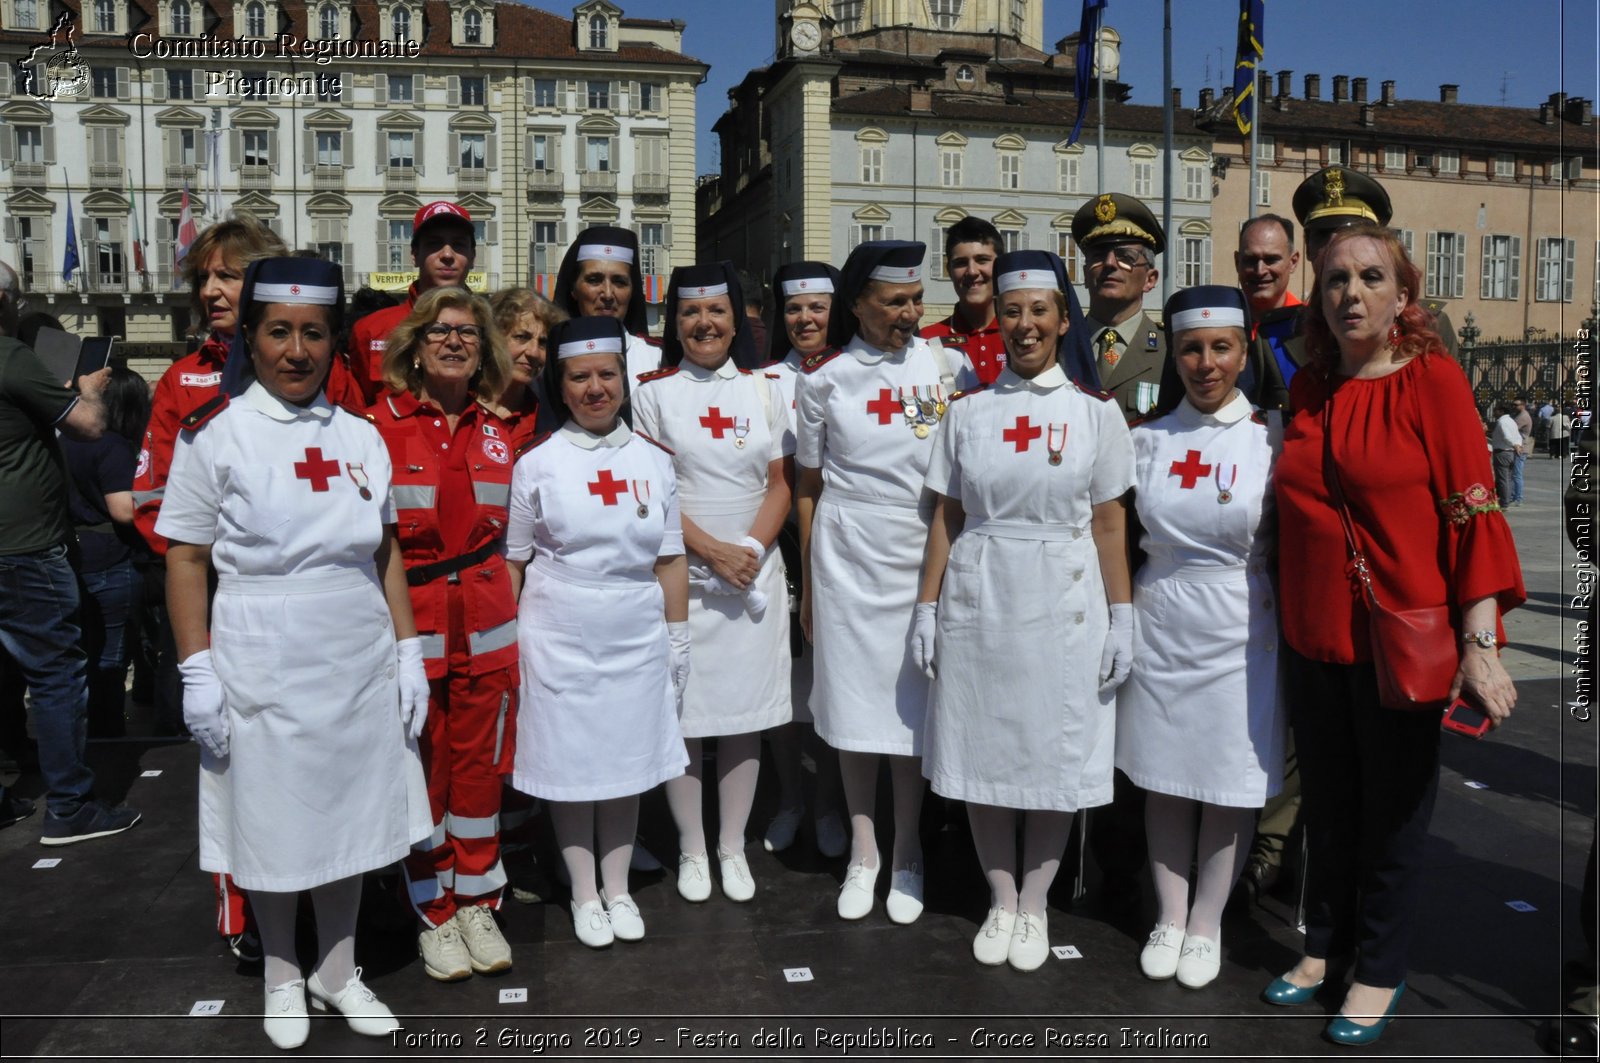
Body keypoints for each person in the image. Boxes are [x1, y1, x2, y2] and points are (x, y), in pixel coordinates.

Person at [158, 257, 432, 1051]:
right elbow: (184, 557)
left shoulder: (359, 435)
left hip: (354, 649)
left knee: (349, 815)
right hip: (261, 648)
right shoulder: (218, 434)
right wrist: (197, 669)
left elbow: (383, 549)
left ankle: (338, 968)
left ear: (334, 340)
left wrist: (408, 649)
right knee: (273, 820)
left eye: (314, 333)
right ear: (251, 336)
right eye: (279, 332)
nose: (297, 350)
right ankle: (283, 970)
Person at [1268, 224, 1524, 1045]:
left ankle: (1377, 966)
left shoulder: (1434, 381)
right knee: (1330, 812)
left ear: (1403, 296)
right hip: (1313, 637)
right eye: (1336, 278)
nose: (1351, 293)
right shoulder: (1308, 388)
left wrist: (1480, 642)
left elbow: (1474, 507)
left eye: (1371, 277)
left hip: (1401, 643)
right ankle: (1322, 947)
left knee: (1391, 816)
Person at [915, 249, 1133, 971]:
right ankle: (1000, 896)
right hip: (983, 590)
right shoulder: (969, 411)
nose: (1025, 324)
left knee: (1051, 753)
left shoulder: (1095, 415)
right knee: (985, 749)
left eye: (1040, 310)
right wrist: (926, 605)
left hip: (1065, 596)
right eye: (1012, 311)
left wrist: (1122, 613)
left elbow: (1108, 523)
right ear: (997, 320)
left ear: (1062, 319)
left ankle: (1035, 900)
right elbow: (946, 515)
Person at [1116, 286, 1286, 990]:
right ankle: (1170, 913)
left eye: (1220, 348)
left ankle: (1208, 918)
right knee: (1164, 777)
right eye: (1191, 348)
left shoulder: (1272, 436)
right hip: (1162, 617)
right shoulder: (1145, 440)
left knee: (1224, 782)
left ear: (1244, 352)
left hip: (1241, 623)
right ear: (1175, 354)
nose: (1205, 363)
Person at [504, 316, 689, 948]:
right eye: (579, 377)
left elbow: (669, 559)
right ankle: (583, 891)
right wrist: (507, 644)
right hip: (558, 629)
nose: (595, 389)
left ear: (623, 380)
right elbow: (515, 562)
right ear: (561, 384)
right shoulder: (537, 463)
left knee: (626, 761)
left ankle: (618, 887)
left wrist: (679, 637)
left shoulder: (653, 461)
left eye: (607, 375)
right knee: (569, 763)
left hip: (635, 628)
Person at [131, 214, 286, 963]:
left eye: (229, 274)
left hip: (307, 602)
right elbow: (153, 500)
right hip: (225, 599)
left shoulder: (317, 363)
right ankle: (245, 912)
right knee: (232, 758)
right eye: (205, 277)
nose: (213, 289)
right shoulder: (180, 378)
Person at [367, 288, 520, 981]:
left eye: (468, 332)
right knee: (425, 769)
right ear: (415, 346)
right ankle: (432, 903)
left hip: (488, 624)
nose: (455, 341)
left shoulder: (500, 430)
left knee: (481, 768)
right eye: (440, 331)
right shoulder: (378, 426)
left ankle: (479, 896)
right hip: (417, 622)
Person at [794, 240, 948, 925]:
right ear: (857, 304)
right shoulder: (825, 380)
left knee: (912, 715)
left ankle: (908, 849)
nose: (909, 314)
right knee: (854, 711)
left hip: (920, 549)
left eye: (916, 300)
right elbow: (807, 485)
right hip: (847, 552)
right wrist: (806, 579)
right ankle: (864, 850)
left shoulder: (947, 368)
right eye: (894, 302)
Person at [632, 262, 793, 904]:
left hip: (754, 573)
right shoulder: (653, 392)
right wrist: (711, 554)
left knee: (744, 718)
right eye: (692, 314)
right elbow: (652, 491)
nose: (705, 324)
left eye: (717, 313)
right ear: (675, 323)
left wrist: (749, 550)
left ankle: (732, 845)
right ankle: (692, 849)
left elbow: (781, 482)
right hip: (685, 575)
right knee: (688, 719)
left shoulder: (764, 390)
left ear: (738, 321)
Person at [0, 260, 140, 843]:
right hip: (25, 544)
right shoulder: (11, 356)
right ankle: (70, 805)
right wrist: (84, 391)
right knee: (59, 674)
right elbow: (85, 426)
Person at [758, 261, 848, 859]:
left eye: (817, 307)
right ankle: (791, 797)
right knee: (788, 691)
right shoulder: (761, 380)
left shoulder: (853, 374)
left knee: (837, 685)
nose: (805, 319)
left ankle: (833, 803)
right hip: (780, 545)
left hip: (843, 546)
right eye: (794, 309)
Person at [61, 366, 151, 738]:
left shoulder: (62, 438)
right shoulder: (111, 445)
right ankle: (107, 737)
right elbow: (122, 510)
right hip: (109, 559)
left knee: (76, 653)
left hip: (69, 554)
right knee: (110, 657)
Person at [1291, 167, 1458, 358]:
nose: (1334, 245)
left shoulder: (1428, 327)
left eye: (1349, 234)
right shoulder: (1283, 334)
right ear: (1307, 247)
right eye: (1322, 234)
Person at [346, 201, 477, 406]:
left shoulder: (493, 331)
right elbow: (354, 411)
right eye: (434, 244)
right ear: (414, 255)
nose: (447, 255)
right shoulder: (371, 330)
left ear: (472, 256)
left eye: (458, 245)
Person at [1074, 192, 1167, 423]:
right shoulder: (1060, 348)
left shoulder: (1172, 353)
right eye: (1098, 255)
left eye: (1125, 256)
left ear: (1150, 279)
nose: (1109, 263)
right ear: (1085, 275)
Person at [551, 225, 661, 383]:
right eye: (594, 280)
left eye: (620, 282)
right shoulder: (548, 359)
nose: (608, 294)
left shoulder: (657, 359)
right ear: (573, 289)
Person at [918, 217, 1008, 386]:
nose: (972, 271)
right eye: (961, 263)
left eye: (982, 260)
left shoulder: (1019, 336)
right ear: (949, 271)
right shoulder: (927, 340)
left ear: (1000, 266)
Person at [489, 287, 565, 452]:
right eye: (521, 337)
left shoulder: (548, 419)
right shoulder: (459, 409)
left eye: (543, 342)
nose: (534, 352)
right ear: (492, 337)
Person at [1236, 214, 1303, 391]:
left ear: (1293, 262)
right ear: (1237, 262)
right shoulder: (1220, 325)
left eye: (1271, 260)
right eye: (1251, 260)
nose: (1260, 271)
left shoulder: (1312, 327)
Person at [1490, 402, 1522, 507]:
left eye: (1495, 411)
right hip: (1510, 452)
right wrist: (1518, 445)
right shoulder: (1511, 421)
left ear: (1501, 411)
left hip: (1502, 452)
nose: (1494, 413)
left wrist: (1514, 445)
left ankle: (1504, 501)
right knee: (1508, 478)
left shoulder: (1502, 422)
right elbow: (1518, 436)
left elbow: (1506, 437)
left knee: (1503, 478)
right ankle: (1506, 499)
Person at [1512, 399, 1534, 504]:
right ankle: (1515, 495)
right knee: (1515, 473)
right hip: (1520, 446)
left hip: (1521, 447)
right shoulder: (1521, 415)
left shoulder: (1523, 416)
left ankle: (1517, 497)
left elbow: (1512, 429)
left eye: (1516, 405)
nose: (1514, 406)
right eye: (1513, 404)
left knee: (1517, 473)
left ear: (1523, 405)